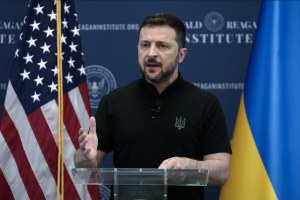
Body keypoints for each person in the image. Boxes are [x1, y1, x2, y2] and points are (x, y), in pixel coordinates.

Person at [74, 12, 232, 200]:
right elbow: (86, 165)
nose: (151, 53)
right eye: (145, 45)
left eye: (162, 46)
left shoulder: (206, 104)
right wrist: (85, 158)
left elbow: (222, 171)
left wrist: (190, 166)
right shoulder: (113, 102)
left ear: (181, 55)